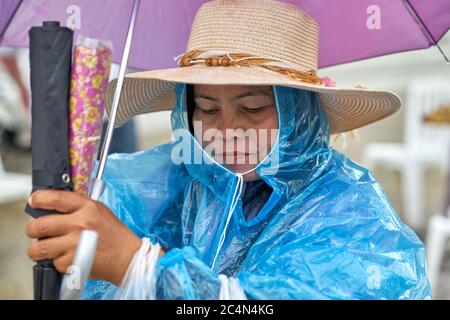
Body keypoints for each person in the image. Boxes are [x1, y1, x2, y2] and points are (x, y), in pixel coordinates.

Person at [25, 0, 431, 299]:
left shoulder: (351, 216)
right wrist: (75, 219)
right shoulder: (174, 176)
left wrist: (141, 267)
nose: (227, 130)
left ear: (300, 112)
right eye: (205, 107)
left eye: (252, 108)